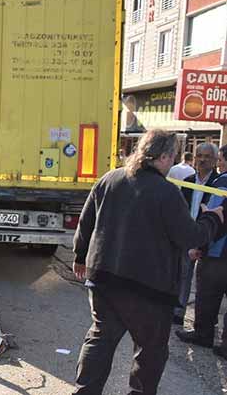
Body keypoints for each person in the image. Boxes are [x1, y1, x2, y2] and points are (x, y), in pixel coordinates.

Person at [71, 129, 224, 395]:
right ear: (163, 157)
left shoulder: (110, 179)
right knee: (150, 352)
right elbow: (190, 236)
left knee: (100, 340)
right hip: (149, 288)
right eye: (172, 157)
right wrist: (213, 217)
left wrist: (80, 256)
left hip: (104, 278)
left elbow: (86, 222)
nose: (173, 163)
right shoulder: (166, 192)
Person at [177, 144, 227, 359]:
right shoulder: (192, 180)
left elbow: (216, 216)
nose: (219, 163)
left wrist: (200, 246)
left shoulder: (221, 182)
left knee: (207, 295)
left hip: (217, 252)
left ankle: (203, 334)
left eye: (220, 159)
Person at [176, 143, 219, 324]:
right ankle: (178, 312)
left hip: (209, 238)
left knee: (205, 283)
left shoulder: (218, 182)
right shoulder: (187, 181)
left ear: (215, 160)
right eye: (199, 155)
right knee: (182, 275)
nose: (202, 160)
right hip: (188, 234)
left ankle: (203, 323)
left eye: (207, 156)